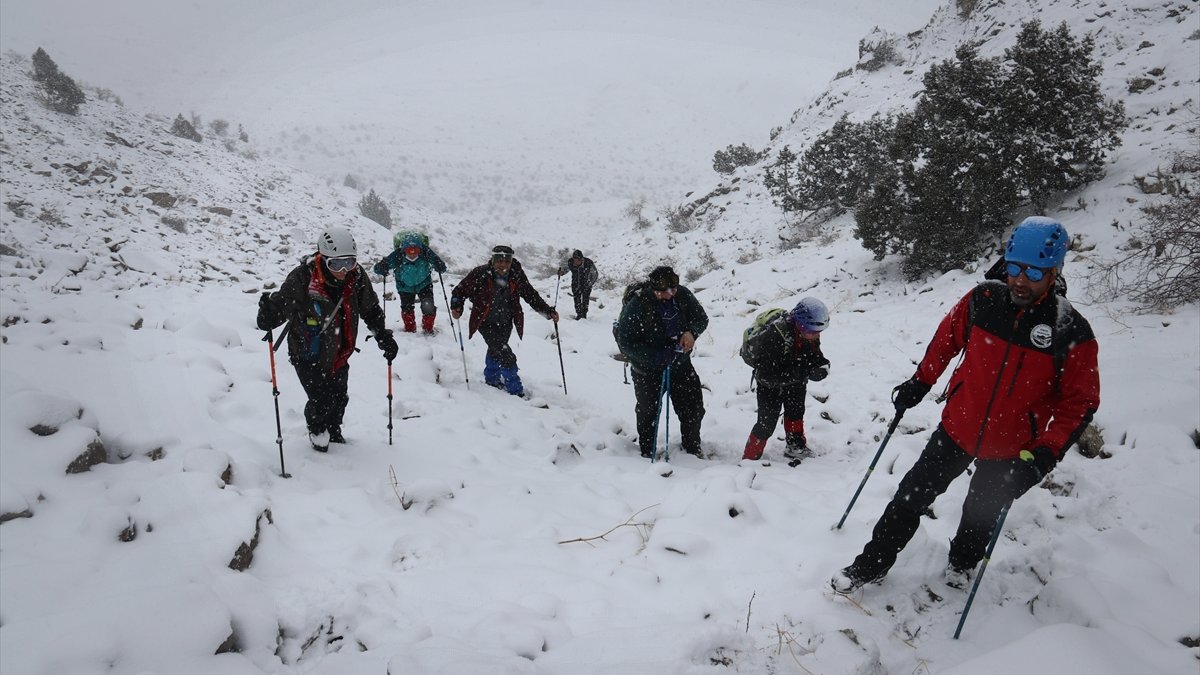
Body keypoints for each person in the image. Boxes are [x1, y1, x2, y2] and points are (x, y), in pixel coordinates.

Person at [831, 217, 1100, 593]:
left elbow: (1080, 401)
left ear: (1054, 271)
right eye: (1015, 268)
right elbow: (945, 342)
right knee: (909, 498)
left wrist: (1044, 455)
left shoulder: (1069, 329)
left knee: (980, 513)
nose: (1021, 280)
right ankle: (870, 565)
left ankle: (962, 563)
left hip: (1013, 445)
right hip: (958, 427)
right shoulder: (983, 301)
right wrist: (920, 382)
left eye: (1035, 272)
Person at [257, 226, 399, 452]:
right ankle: (317, 431)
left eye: (349, 262)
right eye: (336, 264)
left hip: (340, 351)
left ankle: (334, 430)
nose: (343, 270)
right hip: (307, 351)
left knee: (339, 398)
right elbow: (279, 309)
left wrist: (383, 336)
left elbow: (370, 309)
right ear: (323, 258)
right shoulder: (303, 278)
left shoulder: (357, 277)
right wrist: (267, 314)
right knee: (321, 400)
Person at [615, 265, 709, 458]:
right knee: (648, 413)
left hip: (680, 366)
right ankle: (647, 451)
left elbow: (701, 318)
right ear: (653, 288)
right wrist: (654, 357)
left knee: (693, 409)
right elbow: (625, 341)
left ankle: (692, 449)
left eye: (672, 290)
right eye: (663, 292)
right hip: (646, 372)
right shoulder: (638, 304)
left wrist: (691, 332)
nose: (669, 295)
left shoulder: (681, 295)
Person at [450, 245, 559, 396]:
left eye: (506, 261)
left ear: (511, 261)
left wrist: (548, 312)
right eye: (499, 261)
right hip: (484, 321)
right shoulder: (481, 273)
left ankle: (492, 378)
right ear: (493, 260)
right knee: (506, 354)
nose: (503, 264)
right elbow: (459, 290)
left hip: (506, 320)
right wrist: (457, 306)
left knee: (495, 349)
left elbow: (530, 295)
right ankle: (515, 389)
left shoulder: (516, 274)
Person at [741, 297, 831, 463]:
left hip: (796, 382)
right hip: (769, 386)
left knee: (796, 413)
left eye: (818, 332)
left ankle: (795, 446)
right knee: (766, 423)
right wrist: (802, 372)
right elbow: (767, 375)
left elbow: (814, 355)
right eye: (811, 331)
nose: (814, 335)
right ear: (800, 323)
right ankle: (750, 457)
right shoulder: (775, 334)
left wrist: (822, 365)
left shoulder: (809, 332)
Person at [372, 232, 448, 334]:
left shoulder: (426, 252)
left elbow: (442, 266)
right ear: (404, 250)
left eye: (415, 250)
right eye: (409, 250)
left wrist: (439, 265)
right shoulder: (398, 255)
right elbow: (377, 268)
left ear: (420, 249)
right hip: (405, 286)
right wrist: (382, 267)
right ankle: (410, 329)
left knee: (428, 307)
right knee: (407, 309)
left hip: (423, 283)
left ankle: (427, 328)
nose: (412, 253)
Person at [557, 249, 599, 319]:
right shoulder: (570, 262)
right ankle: (579, 315)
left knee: (585, 300)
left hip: (586, 285)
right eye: (574, 260)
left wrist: (590, 283)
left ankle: (584, 315)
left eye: (577, 260)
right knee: (576, 300)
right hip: (576, 284)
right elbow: (566, 269)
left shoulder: (588, 263)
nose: (575, 262)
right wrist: (561, 272)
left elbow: (595, 274)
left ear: (581, 259)